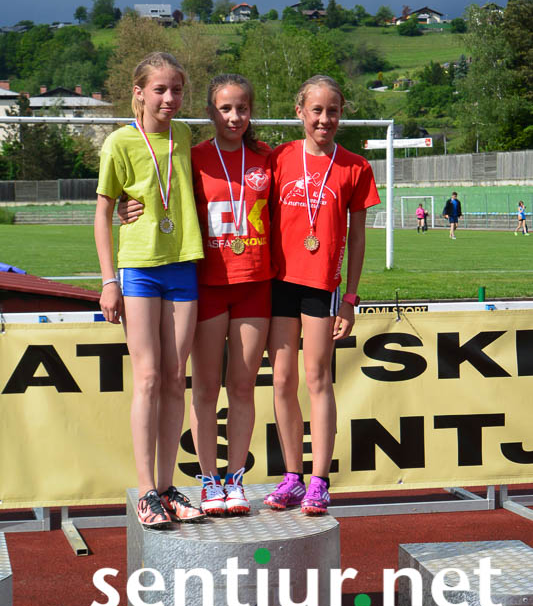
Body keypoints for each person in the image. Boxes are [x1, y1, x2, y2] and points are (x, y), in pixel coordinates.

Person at [117, 74, 273, 517]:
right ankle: (207, 481)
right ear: (209, 112)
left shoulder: (268, 158)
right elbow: (154, 184)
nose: (234, 117)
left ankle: (235, 479)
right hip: (206, 284)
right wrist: (124, 206)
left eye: (242, 108)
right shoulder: (192, 152)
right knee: (203, 388)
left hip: (255, 285)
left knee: (242, 387)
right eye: (225, 109)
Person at [94, 51, 205, 528]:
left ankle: (166, 486)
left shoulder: (185, 136)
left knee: (176, 378)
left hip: (183, 265)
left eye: (176, 89)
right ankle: (145, 492)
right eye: (160, 89)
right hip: (139, 269)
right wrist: (109, 281)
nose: (169, 98)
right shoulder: (119, 142)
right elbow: (103, 213)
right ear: (138, 92)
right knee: (148, 377)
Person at [264, 75, 380, 516]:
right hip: (279, 282)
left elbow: (359, 238)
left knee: (317, 378)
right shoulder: (279, 158)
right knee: (281, 380)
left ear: (341, 114)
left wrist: (350, 297)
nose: (324, 119)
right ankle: (292, 477)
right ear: (300, 112)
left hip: (321, 286)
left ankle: (319, 481)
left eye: (332, 111)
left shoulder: (355, 166)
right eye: (316, 110)